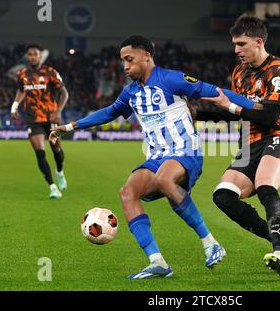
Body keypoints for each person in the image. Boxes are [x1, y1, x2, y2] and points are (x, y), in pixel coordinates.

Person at [49, 35, 256, 279]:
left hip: (185, 151)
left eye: (129, 60)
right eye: (122, 61)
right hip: (157, 156)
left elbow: (214, 91)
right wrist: (71, 126)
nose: (125, 66)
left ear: (146, 56)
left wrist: (258, 107)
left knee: (163, 179)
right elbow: (109, 112)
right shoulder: (131, 93)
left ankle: (210, 243)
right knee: (127, 193)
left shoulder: (170, 79)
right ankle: (157, 261)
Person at [201, 16, 280, 279]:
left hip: (277, 136)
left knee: (266, 187)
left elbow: (268, 117)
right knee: (223, 196)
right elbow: (238, 115)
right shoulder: (239, 72)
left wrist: (231, 106)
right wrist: (198, 115)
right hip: (249, 143)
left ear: (258, 42)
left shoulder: (277, 70)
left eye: (242, 44)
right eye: (234, 44)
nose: (236, 50)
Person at [10, 44, 69, 199]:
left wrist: (58, 112)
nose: (32, 57)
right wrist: (15, 105)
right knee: (40, 153)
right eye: (29, 54)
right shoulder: (22, 74)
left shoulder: (50, 72)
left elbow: (64, 93)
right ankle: (53, 187)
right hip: (33, 119)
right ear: (27, 56)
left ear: (40, 56)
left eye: (35, 54)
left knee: (57, 151)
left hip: (51, 118)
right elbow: (21, 90)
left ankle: (60, 171)